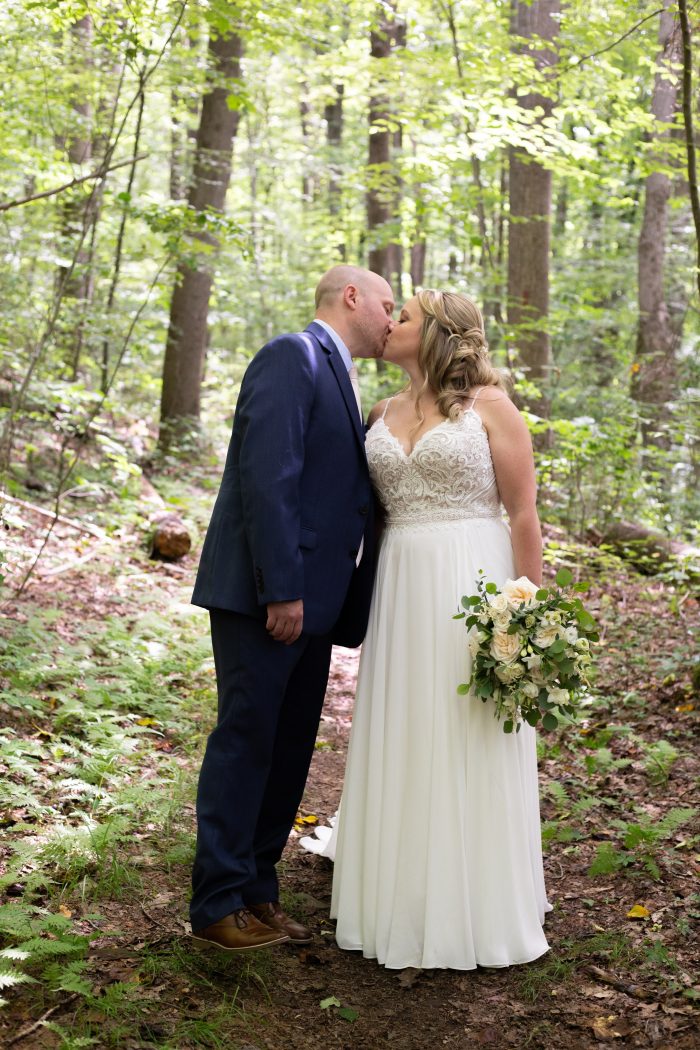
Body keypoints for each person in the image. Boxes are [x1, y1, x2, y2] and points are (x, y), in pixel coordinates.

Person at [326, 289, 551, 970]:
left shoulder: (491, 408)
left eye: (409, 317)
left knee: (466, 728)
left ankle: (478, 903)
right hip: (400, 584)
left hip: (473, 578)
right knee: (406, 725)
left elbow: (523, 516)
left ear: (441, 335)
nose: (392, 323)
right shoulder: (381, 412)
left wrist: (523, 610)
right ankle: (398, 894)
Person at [189, 265, 395, 952]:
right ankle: (216, 903)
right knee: (247, 739)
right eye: (388, 304)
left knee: (288, 749)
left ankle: (256, 889)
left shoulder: (343, 373)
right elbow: (267, 476)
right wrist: (281, 588)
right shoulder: (292, 355)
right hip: (266, 599)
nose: (394, 318)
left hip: (316, 606)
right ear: (352, 297)